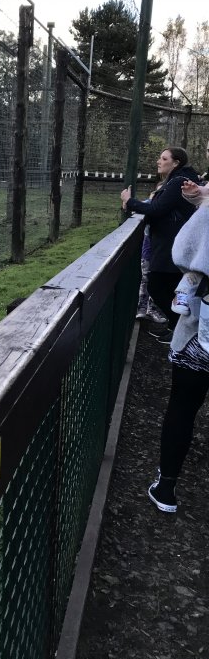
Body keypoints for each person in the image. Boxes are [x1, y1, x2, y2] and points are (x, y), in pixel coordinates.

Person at [148, 175, 209, 511]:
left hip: (202, 332)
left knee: (183, 406)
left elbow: (184, 252)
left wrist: (203, 206)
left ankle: (166, 487)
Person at [123, 147, 203, 329]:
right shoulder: (175, 181)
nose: (159, 161)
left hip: (172, 245)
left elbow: (157, 208)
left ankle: (179, 327)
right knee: (170, 286)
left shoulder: (178, 182)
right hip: (170, 243)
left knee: (158, 285)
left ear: (176, 163)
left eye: (164, 158)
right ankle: (176, 329)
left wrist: (130, 202)